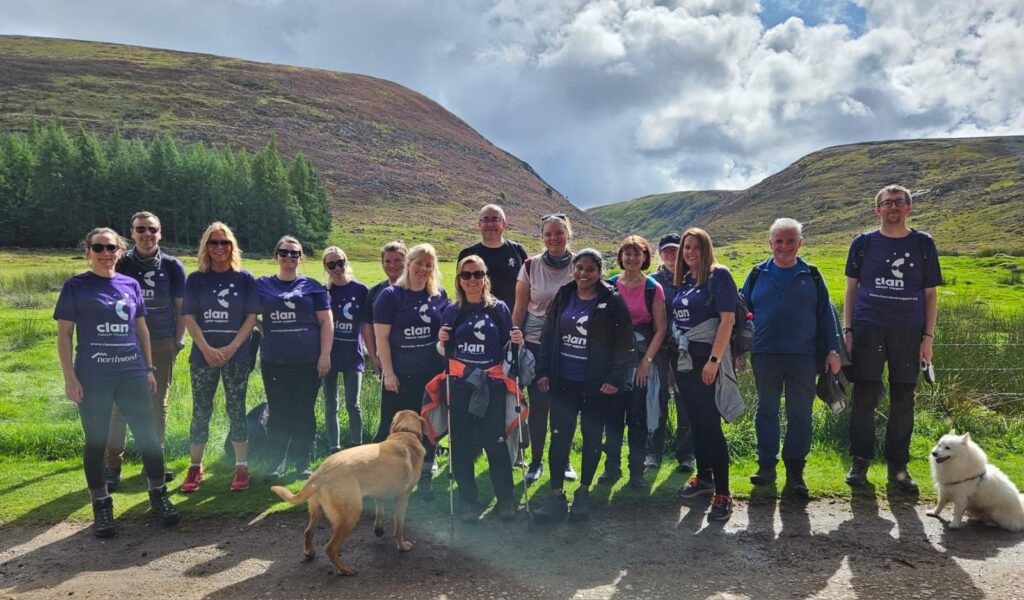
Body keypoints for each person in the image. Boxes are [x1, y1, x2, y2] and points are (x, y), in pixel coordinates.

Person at [55, 228, 180, 538]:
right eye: (98, 247)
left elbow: (142, 331)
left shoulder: (130, 284)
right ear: (89, 251)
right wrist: (70, 379)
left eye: (111, 247)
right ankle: (102, 505)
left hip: (132, 374)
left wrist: (149, 368)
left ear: (120, 252)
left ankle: (159, 496)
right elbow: (64, 335)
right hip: (93, 378)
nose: (105, 252)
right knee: (97, 443)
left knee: (148, 437)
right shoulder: (76, 286)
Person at [843, 185, 942, 491]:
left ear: (909, 208)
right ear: (878, 210)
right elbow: (851, 290)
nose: (893, 207)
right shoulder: (863, 243)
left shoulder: (923, 243)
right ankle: (860, 462)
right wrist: (848, 330)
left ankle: (898, 467)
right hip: (868, 328)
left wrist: (927, 338)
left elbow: (930, 294)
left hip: (908, 332)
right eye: (887, 203)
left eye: (899, 202)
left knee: (903, 400)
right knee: (864, 399)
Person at [739, 218, 842, 498]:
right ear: (770, 243)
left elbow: (826, 316)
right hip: (765, 355)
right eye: (779, 241)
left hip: (803, 357)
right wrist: (738, 349)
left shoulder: (813, 274)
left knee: (800, 415)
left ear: (800, 243)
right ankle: (766, 467)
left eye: (790, 240)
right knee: (766, 411)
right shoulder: (757, 274)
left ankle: (796, 472)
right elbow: (741, 311)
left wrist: (833, 351)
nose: (784, 246)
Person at [531, 249, 635, 523]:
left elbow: (625, 345)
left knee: (591, 440)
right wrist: (543, 370)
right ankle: (555, 496)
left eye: (590, 269)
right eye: (579, 268)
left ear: (600, 271)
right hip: (563, 382)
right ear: (573, 269)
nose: (583, 274)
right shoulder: (564, 295)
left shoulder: (611, 301)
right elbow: (548, 335)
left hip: (596, 386)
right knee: (559, 438)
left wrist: (615, 379)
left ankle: (583, 493)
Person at [436, 255, 524, 521]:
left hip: (492, 385)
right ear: (459, 279)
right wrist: (441, 341)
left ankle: (505, 500)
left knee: (495, 443)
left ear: (485, 277)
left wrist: (517, 340)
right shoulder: (452, 310)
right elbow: (444, 351)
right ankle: (467, 501)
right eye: (466, 275)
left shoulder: (499, 309)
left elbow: (509, 347)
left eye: (477, 274)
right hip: (461, 385)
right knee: (461, 444)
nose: (472, 280)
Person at [105, 211, 185, 490]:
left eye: (152, 229)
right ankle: (112, 466)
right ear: (132, 232)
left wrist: (178, 341)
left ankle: (154, 464)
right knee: (119, 407)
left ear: (160, 233)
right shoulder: (121, 263)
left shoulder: (173, 266)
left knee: (156, 405)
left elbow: (181, 308)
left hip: (162, 341)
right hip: (125, 343)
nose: (147, 234)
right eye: (141, 229)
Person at [179, 222, 260, 493]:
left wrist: (232, 348)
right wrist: (206, 348)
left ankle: (241, 465)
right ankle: (194, 467)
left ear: (232, 246)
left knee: (236, 409)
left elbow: (251, 317)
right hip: (203, 356)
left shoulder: (244, 278)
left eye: (224, 243)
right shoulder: (196, 279)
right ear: (206, 247)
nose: (219, 248)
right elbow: (189, 317)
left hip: (236, 357)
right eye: (213, 243)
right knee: (201, 410)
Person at [671, 227, 738, 522]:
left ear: (706, 248)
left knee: (710, 425)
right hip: (686, 361)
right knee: (695, 422)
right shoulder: (685, 280)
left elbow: (727, 320)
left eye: (696, 247)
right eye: (686, 248)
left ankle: (723, 493)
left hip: (706, 361)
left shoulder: (718, 275)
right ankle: (704, 479)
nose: (690, 253)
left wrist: (714, 360)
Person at [373, 243, 448, 499]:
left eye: (428, 264)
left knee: (428, 428)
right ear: (409, 264)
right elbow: (381, 338)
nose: (423, 269)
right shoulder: (391, 296)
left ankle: (424, 475)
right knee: (391, 427)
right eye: (419, 263)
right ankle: (385, 477)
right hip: (399, 376)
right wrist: (389, 373)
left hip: (432, 376)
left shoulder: (440, 296)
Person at [256, 235, 333, 480]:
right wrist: (259, 326)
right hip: (274, 360)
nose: (289, 257)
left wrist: (325, 355)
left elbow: (326, 322)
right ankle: (276, 461)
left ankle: (302, 461)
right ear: (276, 255)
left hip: (308, 361)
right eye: (284, 252)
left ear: (301, 257)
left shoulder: (312, 286)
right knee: (278, 411)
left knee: (303, 410)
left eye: (294, 253)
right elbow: (246, 314)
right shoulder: (262, 285)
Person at [511, 213, 577, 484]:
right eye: (548, 234)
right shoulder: (530, 265)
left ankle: (563, 461)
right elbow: (520, 306)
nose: (554, 238)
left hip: (571, 346)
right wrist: (513, 340)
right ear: (542, 237)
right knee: (539, 407)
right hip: (536, 345)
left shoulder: (580, 264)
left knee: (565, 407)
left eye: (559, 233)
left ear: (568, 234)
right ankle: (536, 460)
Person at [602, 236, 667, 489]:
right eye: (627, 253)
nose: (632, 258)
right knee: (613, 418)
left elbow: (660, 330)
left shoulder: (653, 288)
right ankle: (612, 468)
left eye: (637, 253)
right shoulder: (609, 286)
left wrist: (646, 363)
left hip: (642, 360)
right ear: (621, 257)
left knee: (637, 417)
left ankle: (636, 472)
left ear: (645, 257)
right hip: (614, 363)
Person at [649, 234, 695, 473]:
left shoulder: (691, 279)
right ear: (659, 253)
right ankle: (653, 453)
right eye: (665, 251)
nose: (670, 255)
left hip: (685, 350)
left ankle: (686, 455)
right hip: (658, 350)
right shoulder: (651, 281)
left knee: (685, 401)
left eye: (674, 251)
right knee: (656, 400)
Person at [321, 246, 370, 452]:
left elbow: (368, 324)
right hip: (329, 355)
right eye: (331, 264)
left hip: (353, 354)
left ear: (346, 262)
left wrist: (372, 353)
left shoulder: (361, 290)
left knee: (353, 404)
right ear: (326, 267)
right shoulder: (324, 292)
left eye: (340, 262)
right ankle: (334, 448)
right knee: (331, 405)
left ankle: (356, 446)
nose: (337, 268)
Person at [457, 204, 527, 314]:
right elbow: (460, 289)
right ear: (479, 224)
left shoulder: (518, 251)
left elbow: (528, 288)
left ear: (504, 224)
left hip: (514, 320)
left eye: (495, 219)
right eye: (485, 219)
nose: (490, 224)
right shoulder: (467, 254)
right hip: (477, 320)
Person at [362, 241, 407, 376]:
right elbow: (368, 325)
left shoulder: (417, 289)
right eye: (387, 261)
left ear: (407, 261)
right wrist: (373, 357)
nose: (392, 265)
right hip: (385, 357)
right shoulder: (375, 291)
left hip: (412, 357)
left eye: (398, 260)